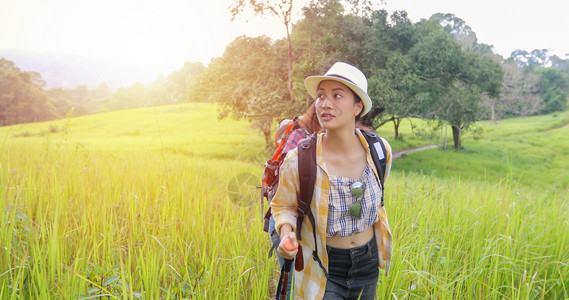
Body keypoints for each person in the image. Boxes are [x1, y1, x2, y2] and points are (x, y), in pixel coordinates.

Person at [271, 62, 393, 299]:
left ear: (358, 106)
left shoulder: (380, 151)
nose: (325, 104)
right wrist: (287, 233)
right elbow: (283, 205)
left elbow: (380, 199)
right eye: (321, 96)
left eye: (337, 95)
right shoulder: (300, 159)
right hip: (323, 265)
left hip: (368, 263)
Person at [268, 102, 321, 299]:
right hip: (286, 222)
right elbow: (287, 185)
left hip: (302, 224)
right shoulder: (300, 139)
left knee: (305, 285)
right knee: (292, 286)